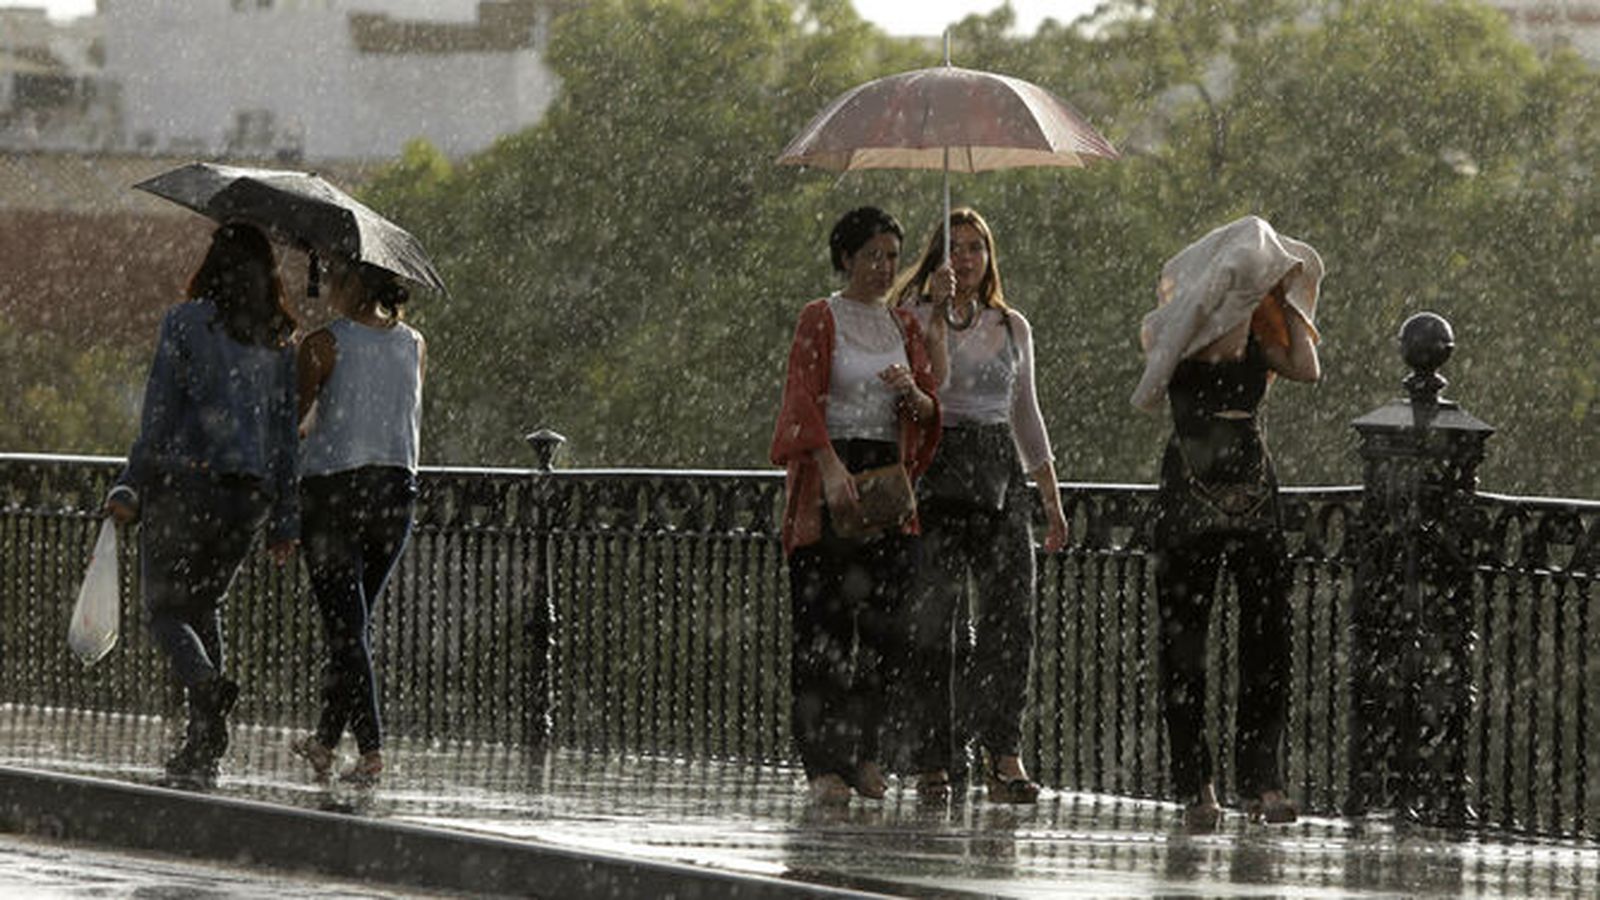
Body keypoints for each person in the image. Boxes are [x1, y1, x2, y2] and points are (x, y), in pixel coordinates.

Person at [1132, 216, 1323, 832]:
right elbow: (1156, 379)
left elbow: (1308, 367)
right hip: (1190, 490)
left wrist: (1286, 299)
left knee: (1268, 637)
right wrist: (1215, 309)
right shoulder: (1184, 335)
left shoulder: (1263, 336)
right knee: (1184, 642)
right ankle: (1197, 784)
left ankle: (1261, 779)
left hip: (1253, 487)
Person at [104, 223, 300, 787]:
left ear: (211, 265)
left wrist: (130, 484)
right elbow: (286, 438)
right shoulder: (279, 340)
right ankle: (204, 741)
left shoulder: (185, 323)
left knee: (165, 611)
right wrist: (284, 517)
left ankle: (206, 689)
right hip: (248, 498)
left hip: (186, 485)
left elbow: (159, 415)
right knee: (205, 605)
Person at [892, 208, 1069, 803]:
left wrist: (1050, 497)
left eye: (975, 247)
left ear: (989, 257)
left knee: (1010, 618)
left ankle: (1003, 753)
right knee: (934, 623)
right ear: (937, 258)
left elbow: (1026, 413)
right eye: (955, 248)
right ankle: (934, 758)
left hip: (998, 471)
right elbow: (924, 394)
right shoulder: (912, 314)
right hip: (938, 463)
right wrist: (935, 317)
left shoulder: (1011, 325)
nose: (965, 258)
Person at [770, 206, 941, 805]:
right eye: (872, 255)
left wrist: (912, 392)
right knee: (822, 629)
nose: (884, 267)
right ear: (846, 258)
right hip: (833, 471)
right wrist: (828, 466)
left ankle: (868, 752)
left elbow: (929, 411)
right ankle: (824, 762)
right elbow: (801, 397)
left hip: (886, 481)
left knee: (887, 629)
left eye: (892, 256)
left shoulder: (904, 326)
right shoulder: (821, 317)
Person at [288, 255, 424, 786]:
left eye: (334, 276)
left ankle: (371, 751)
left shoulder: (322, 345)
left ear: (351, 283)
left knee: (345, 629)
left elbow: (292, 421)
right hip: (395, 493)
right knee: (354, 627)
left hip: (334, 492)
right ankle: (325, 743)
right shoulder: (414, 344)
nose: (326, 284)